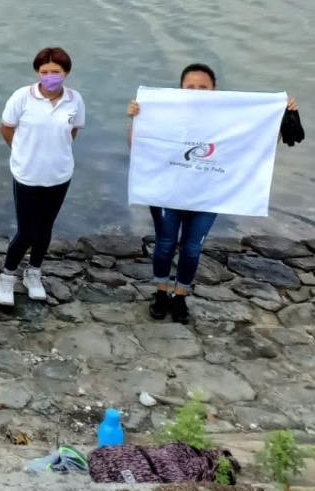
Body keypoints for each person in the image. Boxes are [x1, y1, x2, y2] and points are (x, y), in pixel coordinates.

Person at [128, 64, 300, 323]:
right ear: (181, 89)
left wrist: (278, 115)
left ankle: (181, 296)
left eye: (203, 87)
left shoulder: (228, 119)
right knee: (164, 245)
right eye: (190, 87)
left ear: (214, 90)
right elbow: (138, 145)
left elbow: (256, 144)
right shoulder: (166, 113)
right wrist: (137, 118)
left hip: (208, 195)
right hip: (168, 192)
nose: (196, 91)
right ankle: (161, 292)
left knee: (192, 249)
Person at [0, 47, 84, 307]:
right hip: (27, 174)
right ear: (37, 72)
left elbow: (73, 131)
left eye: (55, 72)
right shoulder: (22, 97)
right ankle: (7, 274)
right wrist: (22, 151)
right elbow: (6, 128)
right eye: (44, 72)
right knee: (26, 230)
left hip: (59, 174)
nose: (50, 76)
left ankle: (34, 271)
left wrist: (57, 151)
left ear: (65, 72)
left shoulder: (75, 99)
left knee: (45, 228)